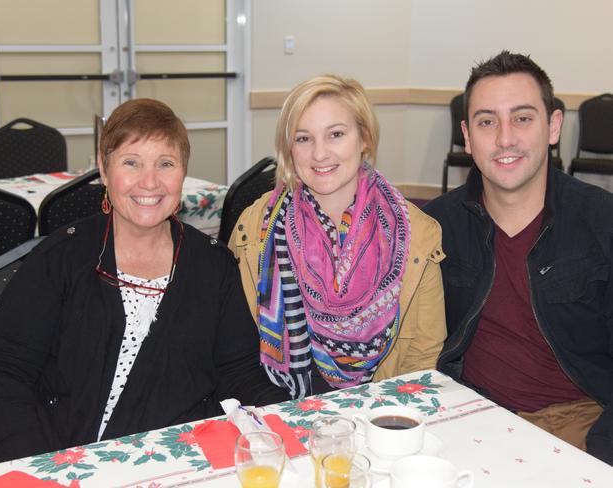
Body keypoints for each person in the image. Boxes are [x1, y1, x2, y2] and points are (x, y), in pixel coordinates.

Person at [0, 98, 287, 468]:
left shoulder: (212, 265)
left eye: (165, 164)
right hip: (55, 452)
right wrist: (43, 467)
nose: (149, 182)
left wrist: (291, 421)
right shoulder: (61, 258)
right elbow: (4, 375)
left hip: (166, 460)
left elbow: (239, 372)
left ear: (183, 172)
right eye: (131, 162)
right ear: (104, 169)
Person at [424, 51, 613, 464]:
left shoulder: (603, 223)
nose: (505, 138)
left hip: (578, 424)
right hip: (466, 417)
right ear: (468, 135)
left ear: (554, 126)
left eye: (523, 118)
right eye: (487, 121)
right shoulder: (433, 229)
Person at [230, 75, 447, 399]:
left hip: (381, 414)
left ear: (364, 138)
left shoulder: (416, 234)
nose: (320, 154)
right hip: (280, 410)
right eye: (303, 138)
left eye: (335, 134)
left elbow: (423, 355)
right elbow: (236, 349)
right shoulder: (255, 226)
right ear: (288, 149)